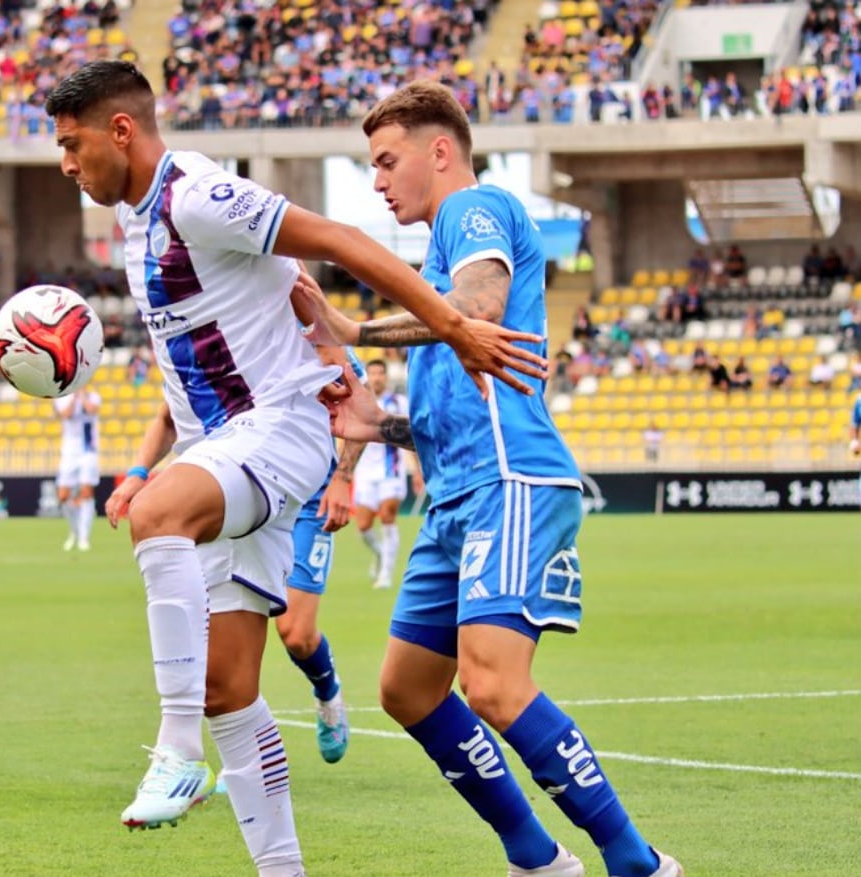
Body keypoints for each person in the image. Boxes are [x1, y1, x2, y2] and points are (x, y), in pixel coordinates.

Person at [44, 60, 543, 874]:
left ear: (121, 131)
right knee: (229, 687)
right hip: (227, 445)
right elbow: (187, 377)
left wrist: (454, 324)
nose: (67, 163)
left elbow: (340, 240)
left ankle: (174, 749)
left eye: (72, 144)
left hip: (280, 428)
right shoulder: (138, 225)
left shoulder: (196, 195)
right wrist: (142, 464)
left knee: (159, 518)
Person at [296, 80, 682, 877]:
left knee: (494, 684)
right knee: (407, 687)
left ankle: (638, 863)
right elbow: (457, 377)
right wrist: (384, 426)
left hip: (513, 479)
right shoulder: (435, 251)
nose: (376, 180)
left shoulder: (474, 212)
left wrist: (358, 327)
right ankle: (538, 859)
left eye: (386, 160)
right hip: (458, 495)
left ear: (440, 151)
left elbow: (477, 309)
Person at [107, 387, 362, 766]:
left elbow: (357, 400)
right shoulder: (209, 342)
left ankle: (328, 691)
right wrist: (137, 474)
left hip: (306, 491)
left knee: (296, 633)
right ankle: (240, 755)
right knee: (226, 624)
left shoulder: (310, 331)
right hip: (237, 484)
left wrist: (343, 478)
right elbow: (167, 417)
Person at [351, 359, 421, 590]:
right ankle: (380, 554)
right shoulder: (358, 403)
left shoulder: (399, 403)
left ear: (386, 377)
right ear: (367, 376)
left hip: (392, 471)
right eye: (373, 373)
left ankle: (386, 574)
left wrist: (419, 472)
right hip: (365, 472)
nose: (377, 378)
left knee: (388, 516)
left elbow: (413, 438)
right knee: (363, 524)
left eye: (381, 373)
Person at [53, 385, 101, 552]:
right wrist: (74, 397)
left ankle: (83, 537)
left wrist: (82, 396)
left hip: (88, 450)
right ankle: (74, 531)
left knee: (87, 492)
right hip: (69, 451)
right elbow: (66, 414)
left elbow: (92, 410)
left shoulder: (93, 396)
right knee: (63, 495)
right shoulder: (61, 398)